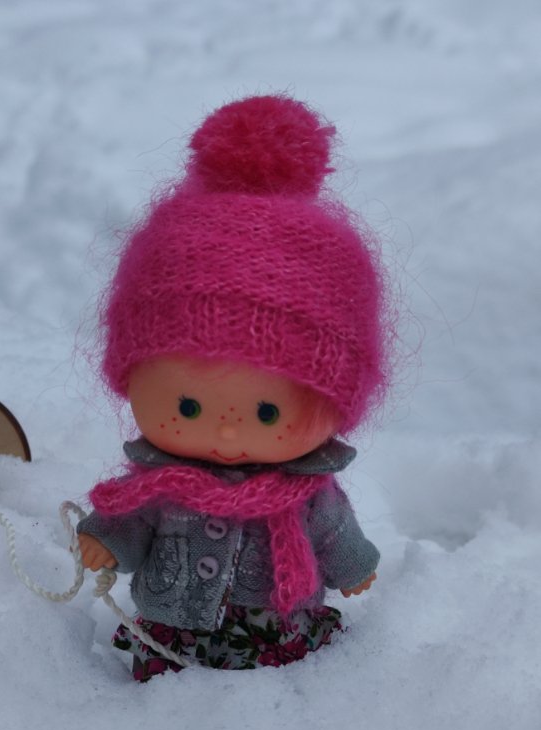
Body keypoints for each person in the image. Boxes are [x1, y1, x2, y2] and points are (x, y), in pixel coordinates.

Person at [77, 94, 391, 682]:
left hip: (276, 633)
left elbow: (332, 531)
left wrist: (355, 567)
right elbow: (130, 520)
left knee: (277, 693)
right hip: (172, 634)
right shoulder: (162, 487)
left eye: (267, 411)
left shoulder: (307, 495)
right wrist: (105, 542)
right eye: (187, 406)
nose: (225, 430)